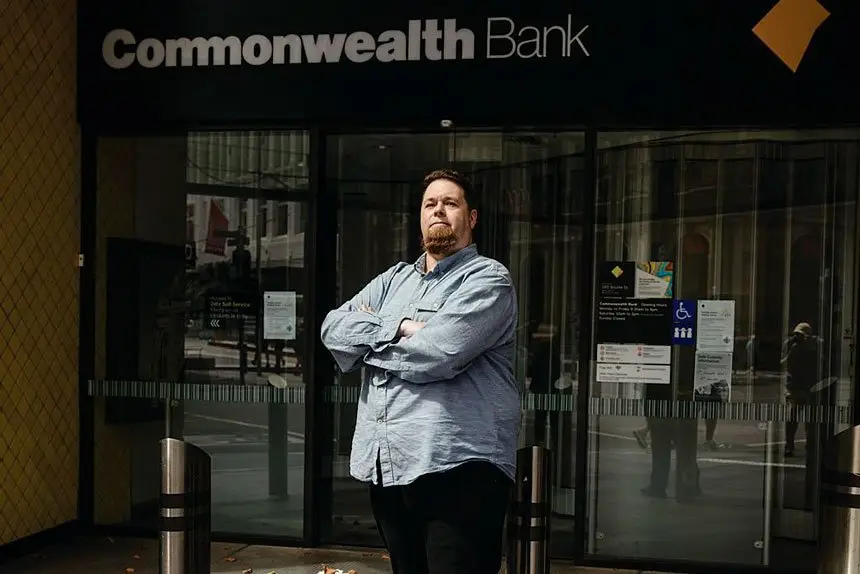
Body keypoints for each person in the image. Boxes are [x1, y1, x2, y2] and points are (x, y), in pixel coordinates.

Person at [320, 169, 520, 574]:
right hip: (390, 467)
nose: (439, 211)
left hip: (459, 470)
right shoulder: (395, 279)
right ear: (420, 216)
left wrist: (370, 340)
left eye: (451, 203)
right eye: (431, 204)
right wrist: (401, 327)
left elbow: (440, 352)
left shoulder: (488, 279)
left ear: (472, 217)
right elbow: (332, 330)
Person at [781, 322, 821, 457]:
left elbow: (822, 363)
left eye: (801, 335)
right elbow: (783, 364)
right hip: (795, 386)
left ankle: (810, 445)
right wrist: (793, 352)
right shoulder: (791, 344)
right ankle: (789, 445)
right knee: (791, 417)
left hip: (810, 385)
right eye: (796, 334)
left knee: (810, 420)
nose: (798, 337)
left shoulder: (816, 345)